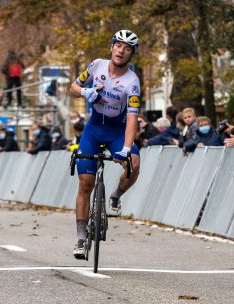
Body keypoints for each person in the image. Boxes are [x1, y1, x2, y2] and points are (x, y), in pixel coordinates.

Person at [69, 29, 141, 259]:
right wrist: (85, 91)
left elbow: (131, 118)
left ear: (131, 54)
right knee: (85, 183)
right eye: (118, 45)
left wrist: (127, 149)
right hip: (93, 129)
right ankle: (81, 238)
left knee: (135, 164)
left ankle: (116, 195)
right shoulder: (96, 66)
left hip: (116, 130)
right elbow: (72, 88)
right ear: (112, 47)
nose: (121, 50)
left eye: (127, 48)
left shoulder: (132, 82)